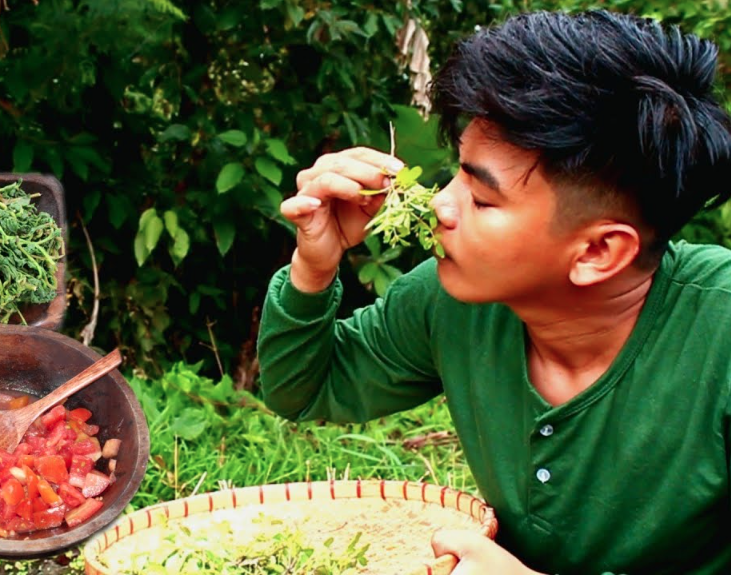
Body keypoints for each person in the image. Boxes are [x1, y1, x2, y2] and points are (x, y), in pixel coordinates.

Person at [257, 9, 731, 575]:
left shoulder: (719, 336)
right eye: (458, 172)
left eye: (483, 200)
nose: (440, 203)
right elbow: (306, 391)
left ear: (598, 252)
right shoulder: (449, 299)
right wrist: (315, 267)